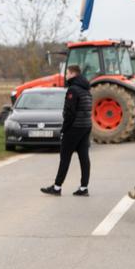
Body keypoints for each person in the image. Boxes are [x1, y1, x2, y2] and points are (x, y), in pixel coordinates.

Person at [42, 65, 92, 196]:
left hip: (74, 127)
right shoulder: (86, 89)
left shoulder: (73, 90)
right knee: (84, 157)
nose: (66, 76)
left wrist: (64, 129)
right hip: (86, 126)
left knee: (65, 157)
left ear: (73, 74)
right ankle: (83, 188)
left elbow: (70, 113)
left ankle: (57, 187)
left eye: (67, 73)